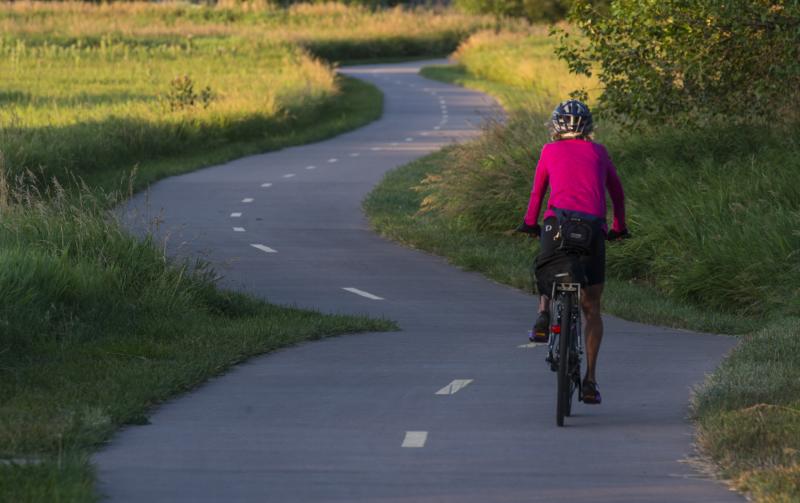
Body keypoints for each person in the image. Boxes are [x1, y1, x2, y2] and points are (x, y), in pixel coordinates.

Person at [516, 99, 628, 405]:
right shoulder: (599, 152)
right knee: (591, 306)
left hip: (557, 225)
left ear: (555, 126)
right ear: (588, 127)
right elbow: (616, 192)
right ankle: (590, 381)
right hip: (591, 229)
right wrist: (619, 226)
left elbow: (538, 191)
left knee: (548, 265)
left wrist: (529, 223)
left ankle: (542, 315)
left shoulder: (549, 151)